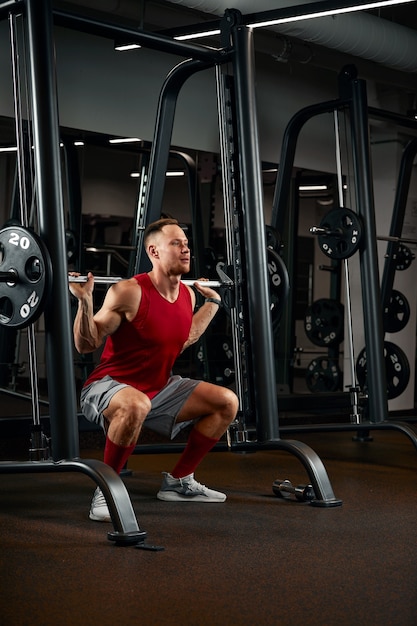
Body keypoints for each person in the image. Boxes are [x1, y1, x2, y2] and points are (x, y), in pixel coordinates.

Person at [69, 217, 239, 522]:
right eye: (176, 243)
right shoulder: (129, 292)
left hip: (159, 387)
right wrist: (84, 301)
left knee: (227, 402)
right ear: (154, 251)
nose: (186, 249)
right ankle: (107, 490)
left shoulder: (187, 295)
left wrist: (212, 304)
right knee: (137, 403)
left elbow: (184, 337)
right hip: (108, 386)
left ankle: (179, 482)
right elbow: (86, 344)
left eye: (186, 244)